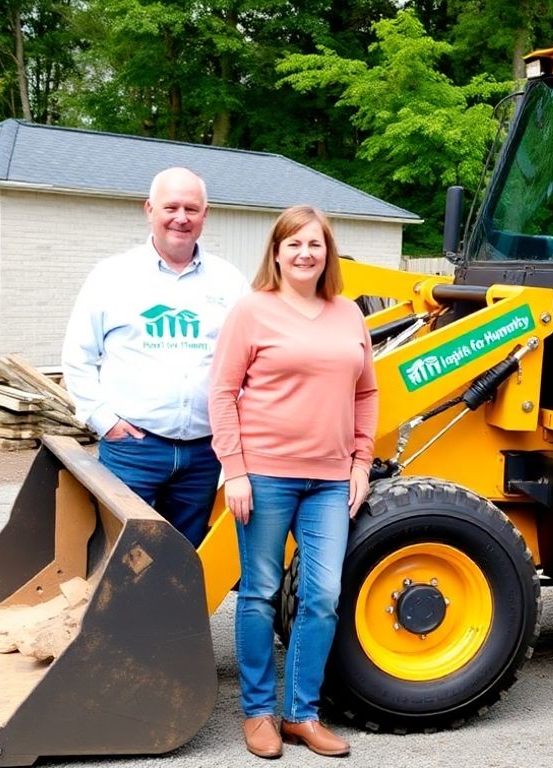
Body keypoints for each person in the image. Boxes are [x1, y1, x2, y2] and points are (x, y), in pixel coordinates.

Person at [208, 205, 378, 760]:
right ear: (276, 252)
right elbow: (222, 394)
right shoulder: (252, 312)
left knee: (323, 597)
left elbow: (366, 394)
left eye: (316, 244)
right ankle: (258, 714)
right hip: (265, 476)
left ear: (328, 253)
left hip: (330, 481)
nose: (306, 253)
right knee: (258, 594)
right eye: (294, 244)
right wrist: (234, 470)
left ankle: (302, 714)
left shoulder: (348, 314)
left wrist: (360, 462)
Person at [62, 167, 248, 547]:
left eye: (192, 209)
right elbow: (78, 356)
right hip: (134, 451)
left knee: (185, 557)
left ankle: (176, 611)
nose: (181, 218)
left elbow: (250, 361)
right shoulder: (112, 276)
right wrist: (105, 421)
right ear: (149, 209)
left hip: (202, 455)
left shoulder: (230, 283)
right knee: (122, 556)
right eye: (171, 207)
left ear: (205, 215)